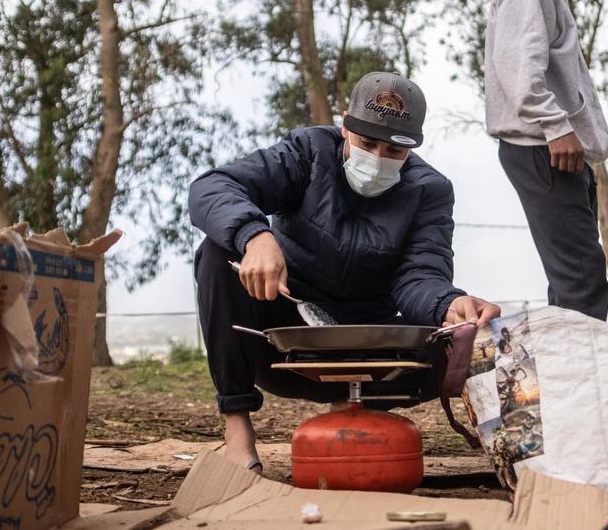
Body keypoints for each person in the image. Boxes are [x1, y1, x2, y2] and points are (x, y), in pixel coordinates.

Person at [188, 71, 501, 472]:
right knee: (216, 253)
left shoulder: (430, 190)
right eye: (367, 143)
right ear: (344, 127)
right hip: (287, 348)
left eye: (394, 151)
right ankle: (236, 425)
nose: (377, 160)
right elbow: (211, 188)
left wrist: (449, 302)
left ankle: (359, 406)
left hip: (374, 351)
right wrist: (255, 236)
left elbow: (420, 275)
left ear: (413, 148)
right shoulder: (307, 152)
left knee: (463, 346)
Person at [483, 0, 608, 320]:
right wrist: (557, 127)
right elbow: (518, 63)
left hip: (555, 147)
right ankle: (583, 382)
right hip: (544, 145)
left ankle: (566, 376)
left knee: (572, 279)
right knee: (582, 281)